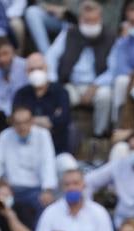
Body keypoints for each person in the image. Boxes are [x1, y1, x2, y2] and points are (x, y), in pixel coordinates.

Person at [46, 0, 115, 137]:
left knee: (105, 96)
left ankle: (100, 134)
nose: (90, 23)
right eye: (86, 20)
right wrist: (53, 81)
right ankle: (62, 133)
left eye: (93, 20)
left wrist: (96, 85)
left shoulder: (110, 37)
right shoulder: (69, 33)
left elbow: (114, 68)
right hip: (72, 84)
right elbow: (50, 57)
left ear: (100, 18)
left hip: (97, 85)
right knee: (60, 95)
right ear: (80, 19)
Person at [31, 166, 115, 231]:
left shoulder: (98, 212)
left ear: (83, 185)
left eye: (75, 183)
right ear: (62, 187)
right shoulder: (50, 212)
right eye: (67, 184)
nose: (71, 188)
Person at [0, 106, 57, 211]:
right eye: (18, 123)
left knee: (45, 204)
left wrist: (47, 190)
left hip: (36, 190)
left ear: (32, 121)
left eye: (25, 122)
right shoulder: (5, 136)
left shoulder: (43, 135)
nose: (22, 127)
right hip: (11, 189)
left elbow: (47, 163)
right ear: (12, 123)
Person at [12, 53, 71, 155]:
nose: (36, 72)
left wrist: (30, 120)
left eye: (39, 68)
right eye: (32, 69)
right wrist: (50, 120)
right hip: (26, 149)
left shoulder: (60, 91)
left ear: (46, 68)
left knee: (67, 165)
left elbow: (63, 120)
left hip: (57, 150)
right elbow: (16, 119)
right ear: (26, 72)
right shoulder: (21, 94)